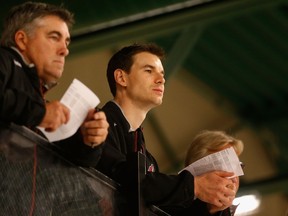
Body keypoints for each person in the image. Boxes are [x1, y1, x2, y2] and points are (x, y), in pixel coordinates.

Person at [95, 43, 237, 215]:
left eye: (162, 74)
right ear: (121, 77)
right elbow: (125, 177)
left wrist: (210, 206)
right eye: (148, 71)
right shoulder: (96, 126)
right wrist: (194, 186)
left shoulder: (147, 158)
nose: (161, 79)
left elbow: (160, 205)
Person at [0, 1, 109, 166]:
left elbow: (75, 162)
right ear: (22, 40)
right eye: (54, 37)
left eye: (66, 42)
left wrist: (88, 140)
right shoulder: (4, 59)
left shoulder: (39, 103)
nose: (65, 50)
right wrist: (39, 112)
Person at [185, 130, 245, 215]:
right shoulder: (170, 205)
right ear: (198, 170)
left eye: (238, 166)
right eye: (227, 167)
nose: (235, 178)